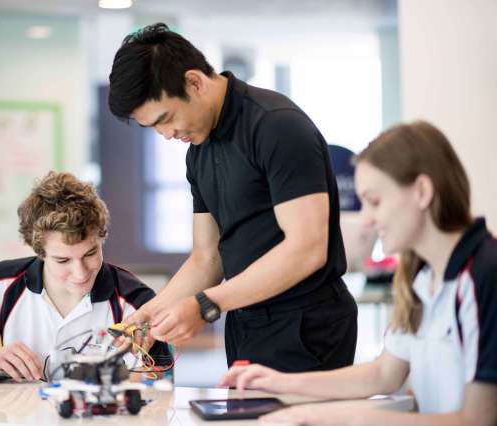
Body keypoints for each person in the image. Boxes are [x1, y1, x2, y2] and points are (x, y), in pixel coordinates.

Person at [108, 23, 357, 373]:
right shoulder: (198, 150)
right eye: (154, 128)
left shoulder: (276, 126)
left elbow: (307, 249)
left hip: (306, 324)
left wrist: (207, 304)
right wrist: (150, 312)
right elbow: (207, 258)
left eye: (166, 119)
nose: (166, 135)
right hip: (246, 321)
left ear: (194, 81)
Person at [220, 121, 497, 425]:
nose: (365, 221)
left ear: (422, 191)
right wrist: (279, 382)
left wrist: (336, 417)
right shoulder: (421, 278)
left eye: (374, 202)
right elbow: (384, 374)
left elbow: (477, 420)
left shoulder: (484, 274)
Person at [0, 171, 172, 382]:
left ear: (101, 239)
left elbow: (161, 391)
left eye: (90, 253)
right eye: (63, 261)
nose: (80, 273)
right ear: (39, 252)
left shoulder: (136, 300)